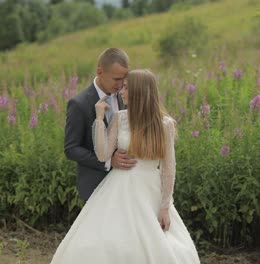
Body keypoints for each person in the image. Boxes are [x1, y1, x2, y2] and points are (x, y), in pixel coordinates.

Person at [51, 69, 200, 263]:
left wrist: (164, 207)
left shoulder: (165, 125)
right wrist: (98, 119)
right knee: (108, 241)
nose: (121, 91)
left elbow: (168, 169)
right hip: (118, 187)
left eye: (127, 87)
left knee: (161, 243)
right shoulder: (120, 118)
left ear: (139, 92)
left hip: (149, 191)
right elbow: (103, 154)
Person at [64, 48, 137, 201]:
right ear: (100, 71)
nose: (121, 84)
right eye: (116, 79)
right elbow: (71, 148)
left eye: (124, 79)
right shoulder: (79, 104)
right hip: (95, 184)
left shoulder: (127, 96)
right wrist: (109, 162)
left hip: (128, 183)